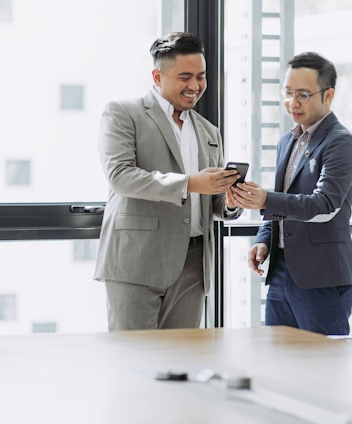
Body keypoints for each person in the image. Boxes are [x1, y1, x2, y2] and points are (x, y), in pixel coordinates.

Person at [93, 32, 243, 331]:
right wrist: (189, 183)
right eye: (184, 76)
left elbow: (209, 200)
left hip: (195, 265)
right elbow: (121, 176)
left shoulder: (209, 131)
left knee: (181, 362)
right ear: (157, 75)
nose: (195, 86)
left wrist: (228, 201)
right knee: (134, 360)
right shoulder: (123, 113)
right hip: (137, 259)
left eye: (201, 76)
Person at [230, 52, 352, 335]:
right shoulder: (288, 141)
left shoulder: (340, 142)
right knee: (280, 365)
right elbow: (283, 201)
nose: (292, 102)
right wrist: (265, 239)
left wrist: (265, 199)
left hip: (321, 278)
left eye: (303, 94)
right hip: (280, 273)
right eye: (288, 92)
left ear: (328, 95)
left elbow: (325, 205)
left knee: (323, 369)